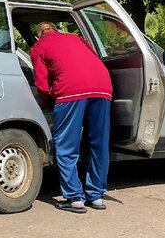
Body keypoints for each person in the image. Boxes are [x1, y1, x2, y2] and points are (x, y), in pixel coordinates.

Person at [30, 21, 113, 213]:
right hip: (103, 88)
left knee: (66, 144)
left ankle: (74, 198)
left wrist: (49, 100)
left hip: (71, 91)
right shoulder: (77, 39)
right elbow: (93, 59)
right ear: (57, 30)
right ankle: (97, 196)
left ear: (37, 36)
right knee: (99, 144)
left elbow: (41, 82)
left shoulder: (38, 46)